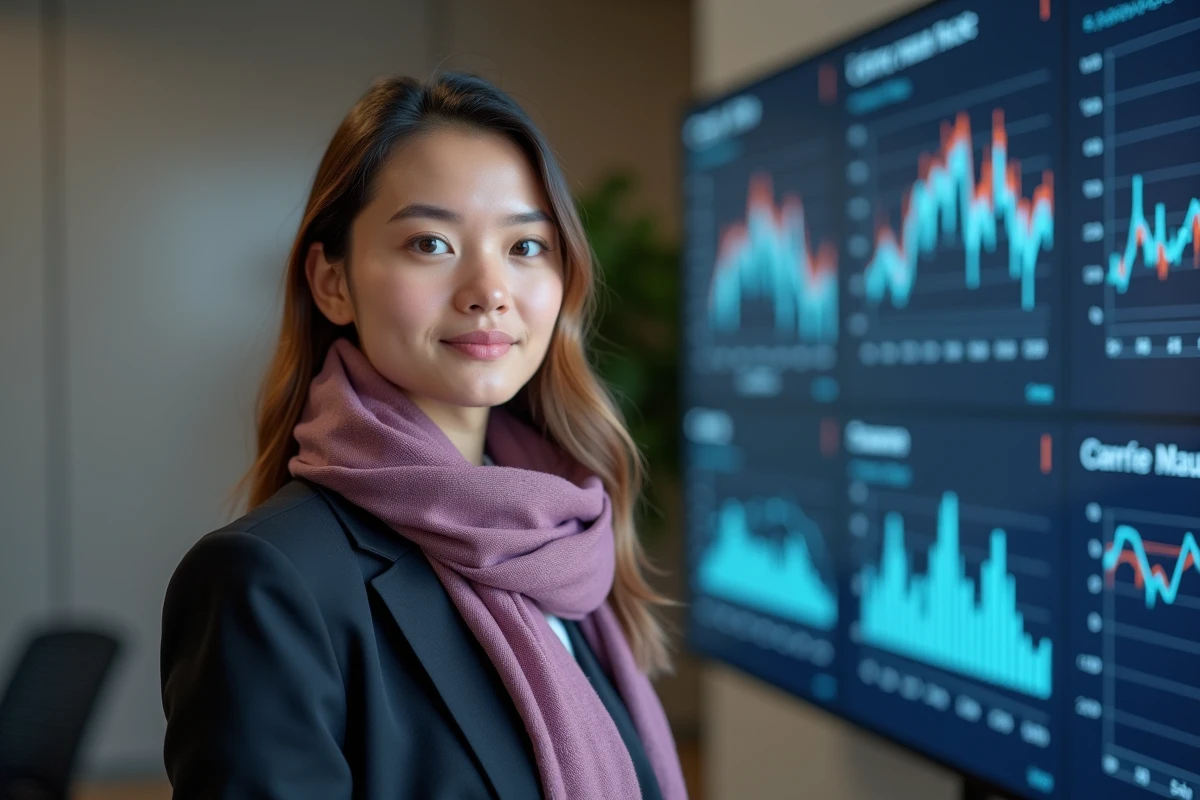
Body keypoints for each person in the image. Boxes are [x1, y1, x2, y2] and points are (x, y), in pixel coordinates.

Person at [158, 73, 688, 800]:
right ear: (331, 282)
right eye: (431, 243)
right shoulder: (266, 582)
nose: (488, 289)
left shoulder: (563, 539)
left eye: (527, 246)